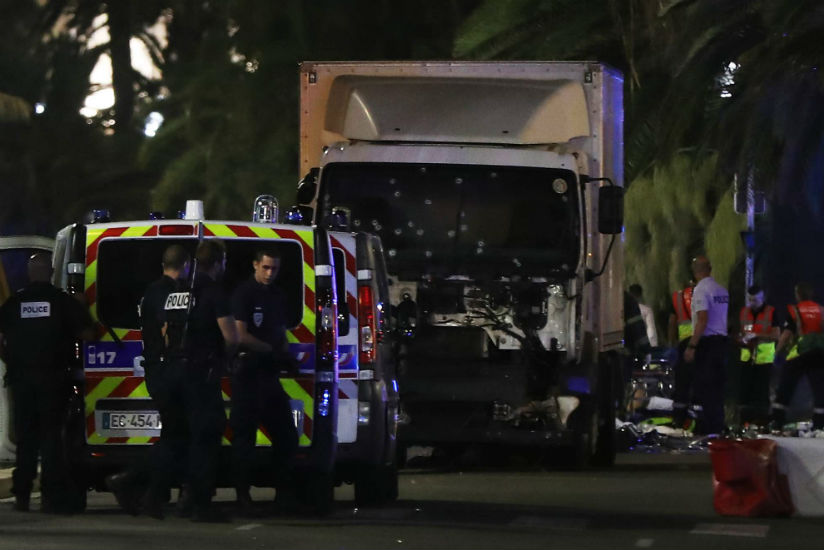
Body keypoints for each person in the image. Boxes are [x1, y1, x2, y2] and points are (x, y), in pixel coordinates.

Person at [142, 239, 237, 522]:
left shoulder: (178, 293)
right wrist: (224, 357)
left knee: (174, 437)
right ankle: (199, 503)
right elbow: (231, 337)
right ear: (219, 263)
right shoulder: (214, 292)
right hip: (198, 373)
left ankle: (153, 496)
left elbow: (164, 330)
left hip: (170, 370)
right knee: (206, 436)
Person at [0, 252, 94, 513]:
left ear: (30, 274)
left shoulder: (14, 303)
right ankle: (51, 497)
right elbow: (88, 334)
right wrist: (82, 307)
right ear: (51, 272)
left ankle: (22, 495)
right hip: (53, 380)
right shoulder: (61, 302)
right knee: (51, 439)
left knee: (26, 439)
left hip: (21, 380)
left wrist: (10, 360)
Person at [107, 244, 192, 516]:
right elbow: (169, 329)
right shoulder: (170, 293)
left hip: (157, 369)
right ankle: (130, 481)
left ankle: (153, 494)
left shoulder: (151, 291)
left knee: (174, 436)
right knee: (174, 437)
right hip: (167, 370)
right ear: (186, 265)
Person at [230, 248, 298, 514]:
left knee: (287, 437)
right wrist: (271, 350)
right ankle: (242, 496)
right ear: (255, 265)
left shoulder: (277, 296)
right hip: (247, 374)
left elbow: (279, 331)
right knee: (244, 440)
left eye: (274, 269)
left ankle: (283, 494)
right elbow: (240, 335)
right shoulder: (244, 294)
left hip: (268, 376)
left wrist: (285, 355)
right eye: (266, 268)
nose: (270, 273)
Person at [672, 256, 729, 435]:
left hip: (707, 343)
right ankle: (718, 426)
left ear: (695, 271)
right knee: (717, 387)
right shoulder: (721, 290)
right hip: (722, 342)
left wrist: (692, 346)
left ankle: (705, 428)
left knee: (703, 386)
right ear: (710, 269)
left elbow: (702, 320)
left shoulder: (701, 291)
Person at [769, 282, 824, 431]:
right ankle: (820, 424)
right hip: (819, 354)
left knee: (786, 386)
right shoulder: (821, 310)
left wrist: (777, 352)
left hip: (800, 353)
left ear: (798, 294)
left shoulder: (795, 310)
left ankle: (777, 420)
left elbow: (787, 334)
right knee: (820, 389)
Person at [735, 285, 779, 427]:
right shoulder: (744, 312)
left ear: (763, 298)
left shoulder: (771, 312)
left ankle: (761, 424)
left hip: (764, 360)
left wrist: (757, 335)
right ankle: (744, 424)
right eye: (750, 300)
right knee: (744, 393)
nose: (753, 303)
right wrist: (741, 339)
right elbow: (740, 332)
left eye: (756, 300)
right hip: (746, 358)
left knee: (761, 394)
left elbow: (776, 335)